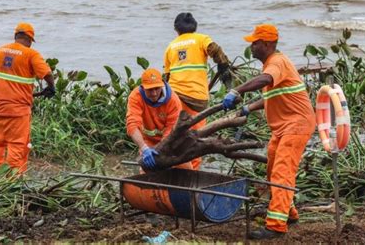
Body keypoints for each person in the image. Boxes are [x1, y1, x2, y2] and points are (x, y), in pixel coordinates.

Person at [222, 24, 316, 239]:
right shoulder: (272, 65)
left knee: (282, 173)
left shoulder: (276, 62)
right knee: (273, 169)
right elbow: (271, 96)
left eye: (254, 43)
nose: (251, 47)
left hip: (296, 125)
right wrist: (249, 107)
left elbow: (265, 80)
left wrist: (237, 90)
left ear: (266, 44)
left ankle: (275, 226)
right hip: (283, 128)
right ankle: (288, 213)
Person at [0, 22, 55, 183]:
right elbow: (47, 74)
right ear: (30, 38)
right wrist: (51, 88)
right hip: (17, 109)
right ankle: (14, 179)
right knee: (17, 143)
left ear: (16, 36)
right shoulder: (31, 54)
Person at [164, 12, 230, 170]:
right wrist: (223, 66)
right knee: (196, 136)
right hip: (196, 99)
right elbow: (215, 50)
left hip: (174, 96)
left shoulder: (171, 46)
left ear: (176, 29)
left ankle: (172, 167)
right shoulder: (201, 39)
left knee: (175, 134)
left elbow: (166, 77)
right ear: (195, 27)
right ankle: (192, 170)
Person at [126, 68, 192, 171]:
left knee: (186, 169)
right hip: (148, 142)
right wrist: (143, 148)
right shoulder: (135, 97)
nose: (154, 93)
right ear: (143, 88)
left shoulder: (173, 100)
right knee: (147, 172)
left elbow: (171, 130)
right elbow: (132, 125)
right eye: (150, 90)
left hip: (171, 141)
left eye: (157, 88)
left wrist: (163, 152)